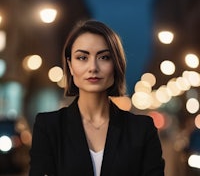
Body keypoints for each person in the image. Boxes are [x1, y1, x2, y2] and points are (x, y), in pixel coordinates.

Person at [29, 20, 165, 176]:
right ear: (70, 65)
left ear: (116, 64)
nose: (93, 67)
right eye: (82, 58)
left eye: (104, 57)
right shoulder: (48, 127)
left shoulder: (142, 130)